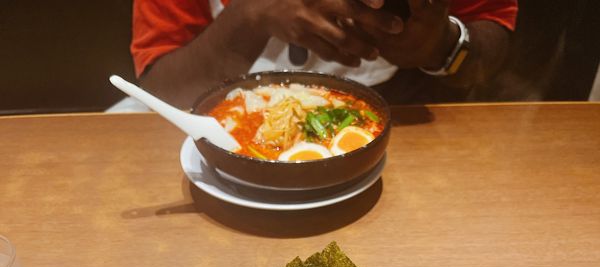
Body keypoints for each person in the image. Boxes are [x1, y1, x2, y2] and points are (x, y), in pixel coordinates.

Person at [131, 0, 518, 107]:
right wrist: (248, 17)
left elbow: (490, 52)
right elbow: (162, 94)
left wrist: (441, 45)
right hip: (217, 144)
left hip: (398, 137)